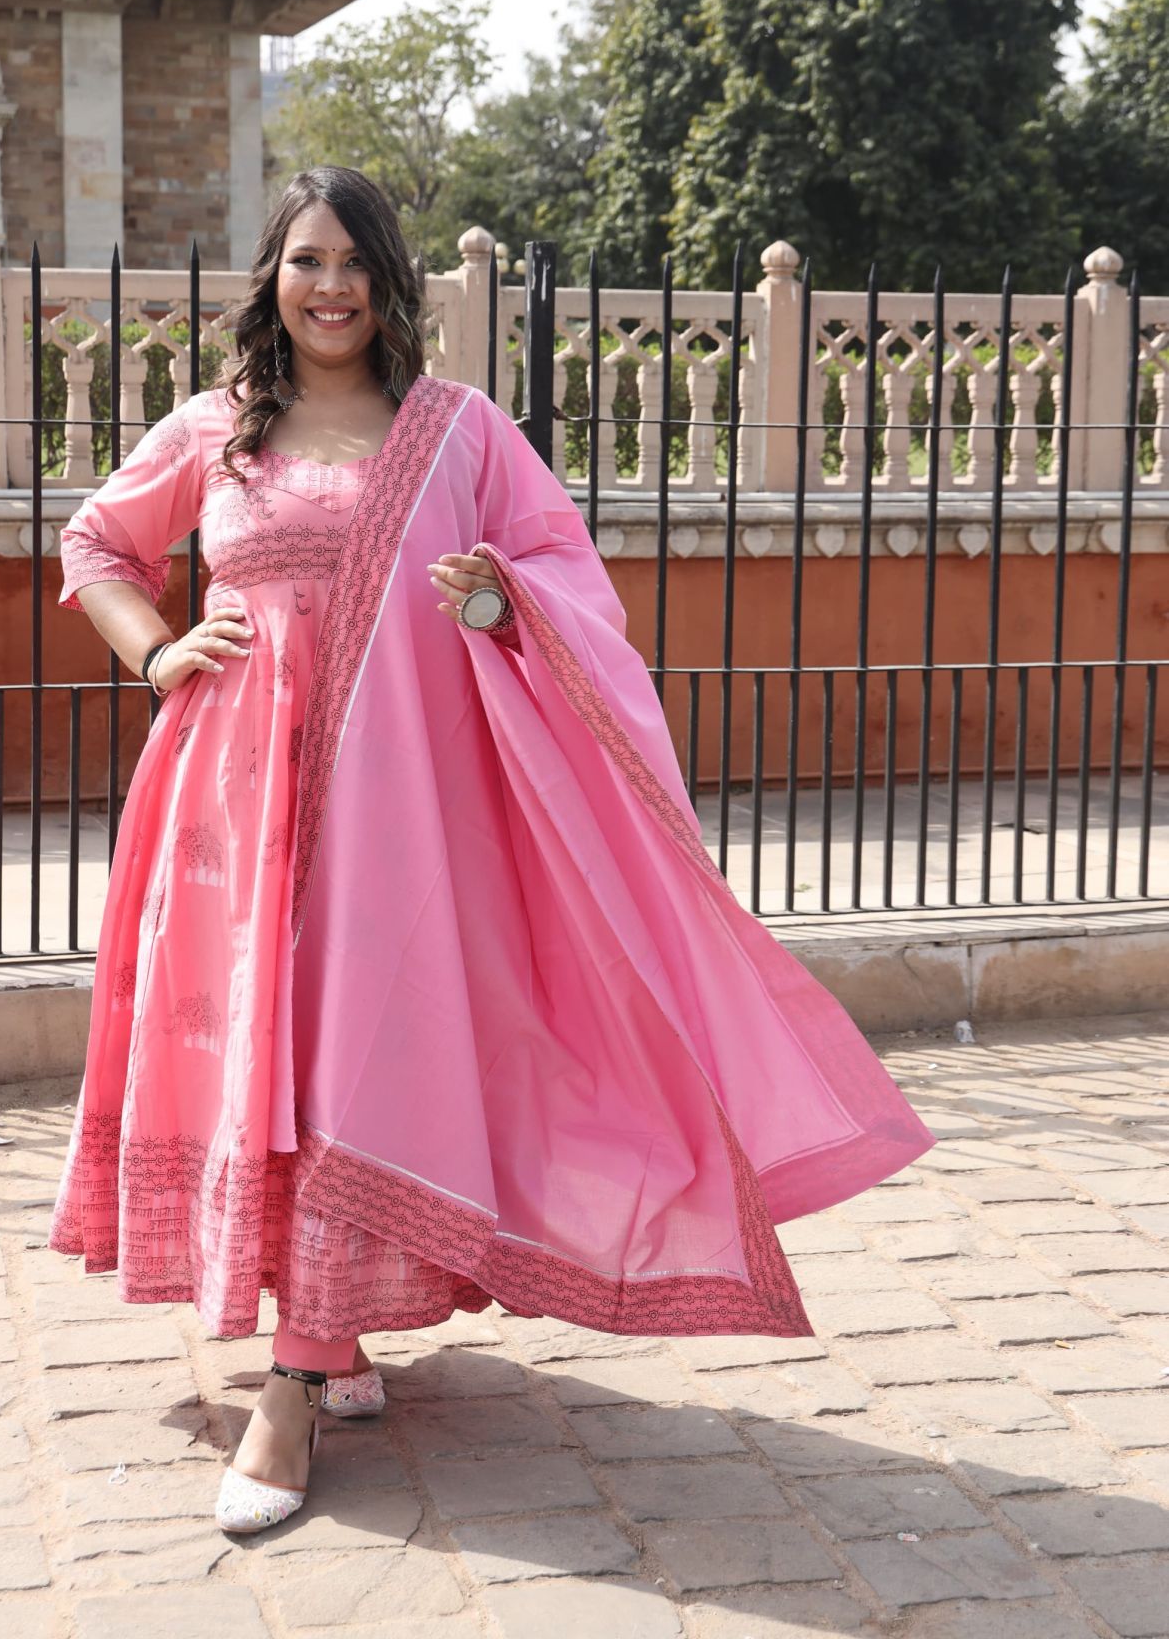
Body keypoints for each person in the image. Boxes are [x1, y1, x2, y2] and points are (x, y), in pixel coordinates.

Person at [47, 164, 935, 1536]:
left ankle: (295, 1378)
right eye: (303, 261)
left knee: (355, 1054)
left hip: (401, 818)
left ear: (390, 283)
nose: (327, 285)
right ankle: (322, 1339)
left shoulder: (460, 433)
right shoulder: (216, 431)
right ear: (270, 281)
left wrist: (500, 598)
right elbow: (97, 540)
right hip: (230, 808)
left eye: (351, 262)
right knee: (256, 1061)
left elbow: (563, 575)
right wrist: (160, 649)